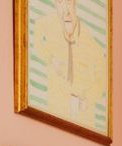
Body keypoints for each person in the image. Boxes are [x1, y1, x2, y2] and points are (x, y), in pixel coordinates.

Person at [30, 0, 108, 131]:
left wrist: (88, 98)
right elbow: (35, 44)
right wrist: (51, 59)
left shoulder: (89, 38)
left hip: (84, 115)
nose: (65, 8)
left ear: (75, 3)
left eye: (68, 2)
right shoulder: (45, 24)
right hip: (56, 107)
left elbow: (103, 76)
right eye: (60, 3)